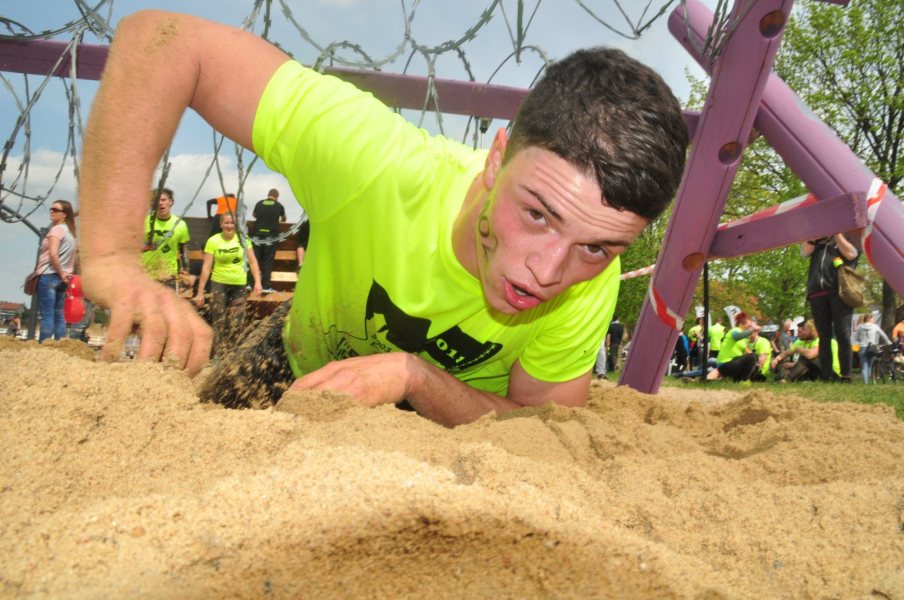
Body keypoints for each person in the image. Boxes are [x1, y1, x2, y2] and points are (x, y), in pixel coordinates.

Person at [78, 11, 688, 426]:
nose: (548, 271)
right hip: (299, 361)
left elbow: (540, 427)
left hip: (454, 425)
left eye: (596, 248)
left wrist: (415, 378)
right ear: (495, 159)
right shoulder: (377, 164)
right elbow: (164, 39)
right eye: (536, 214)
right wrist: (112, 256)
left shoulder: (591, 281)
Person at [194, 213, 263, 355]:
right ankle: (217, 354)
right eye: (226, 223)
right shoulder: (213, 241)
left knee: (237, 321)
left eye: (232, 223)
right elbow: (206, 267)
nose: (229, 226)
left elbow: (253, 261)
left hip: (239, 284)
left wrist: (258, 282)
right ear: (221, 224)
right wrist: (200, 292)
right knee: (219, 320)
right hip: (219, 284)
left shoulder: (243, 239)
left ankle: (232, 354)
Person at [802, 234, 858, 382]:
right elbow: (804, 252)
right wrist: (816, 236)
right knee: (823, 336)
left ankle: (846, 375)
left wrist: (837, 234)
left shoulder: (849, 238)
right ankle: (827, 375)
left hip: (840, 292)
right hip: (817, 293)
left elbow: (851, 254)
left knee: (842, 333)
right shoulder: (817, 241)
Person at [36, 200, 78, 342]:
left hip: (50, 275)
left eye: (55, 209)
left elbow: (53, 255)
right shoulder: (71, 233)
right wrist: (66, 273)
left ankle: (45, 345)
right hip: (64, 278)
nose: (51, 211)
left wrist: (60, 272)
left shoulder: (56, 230)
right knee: (59, 314)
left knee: (47, 314)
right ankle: (60, 343)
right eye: (51, 208)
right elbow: (73, 256)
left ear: (64, 214)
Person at [141, 187, 191, 291]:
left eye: (163, 200)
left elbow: (183, 249)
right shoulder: (143, 222)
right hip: (145, 274)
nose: (160, 203)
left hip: (168, 274)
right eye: (156, 200)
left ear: (170, 202)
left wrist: (186, 270)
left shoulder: (180, 224)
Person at [771, 320, 839, 382]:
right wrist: (777, 358)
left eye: (805, 329)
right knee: (797, 368)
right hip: (818, 371)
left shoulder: (825, 341)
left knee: (805, 358)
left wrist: (798, 349)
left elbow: (810, 355)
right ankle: (783, 377)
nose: (799, 333)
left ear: (812, 330)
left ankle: (787, 379)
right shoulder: (807, 341)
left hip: (832, 373)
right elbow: (787, 353)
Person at [706, 311, 759, 382]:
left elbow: (748, 350)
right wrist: (752, 330)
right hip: (725, 364)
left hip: (733, 363)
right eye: (749, 325)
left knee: (754, 358)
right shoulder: (735, 330)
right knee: (753, 356)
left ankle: (737, 381)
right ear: (743, 322)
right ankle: (743, 381)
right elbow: (736, 336)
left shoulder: (744, 338)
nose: (750, 326)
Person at [251, 188, 286, 293]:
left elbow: (254, 215)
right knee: (268, 261)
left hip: (256, 235)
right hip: (271, 237)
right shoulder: (279, 205)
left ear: (268, 195)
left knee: (254, 260)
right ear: (277, 197)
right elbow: (284, 219)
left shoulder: (259, 203)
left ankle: (250, 284)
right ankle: (266, 286)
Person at [852, 312, 891, 384]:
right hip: (872, 348)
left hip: (862, 347)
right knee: (870, 365)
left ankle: (865, 383)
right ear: (869, 319)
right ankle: (869, 381)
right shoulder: (875, 326)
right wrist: (888, 342)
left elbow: (856, 338)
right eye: (872, 318)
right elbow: (883, 335)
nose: (873, 320)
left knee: (864, 366)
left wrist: (861, 339)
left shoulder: (860, 326)